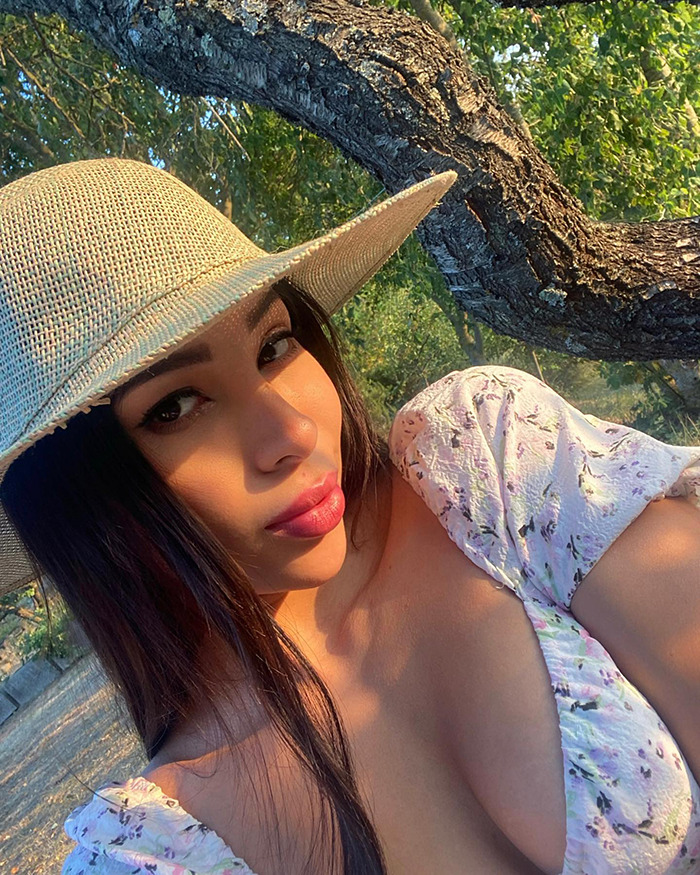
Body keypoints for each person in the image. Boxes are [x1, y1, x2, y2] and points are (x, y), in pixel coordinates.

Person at [0, 158, 699, 875]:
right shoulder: (151, 852)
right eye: (176, 406)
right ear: (75, 503)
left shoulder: (488, 461)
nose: (295, 434)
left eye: (274, 344)